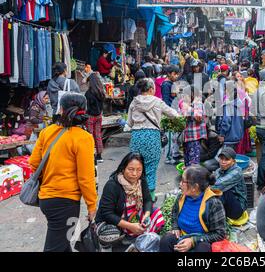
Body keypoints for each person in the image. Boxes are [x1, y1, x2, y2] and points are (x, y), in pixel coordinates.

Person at [29, 93, 97, 252]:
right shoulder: (83, 137)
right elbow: (86, 178)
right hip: (66, 203)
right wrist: (92, 205)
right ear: (84, 110)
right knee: (56, 246)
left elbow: (33, 162)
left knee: (64, 242)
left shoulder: (48, 132)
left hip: (47, 199)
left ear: (61, 109)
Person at [95, 153, 164, 251]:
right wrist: (130, 226)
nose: (135, 174)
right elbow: (107, 213)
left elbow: (148, 200)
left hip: (132, 216)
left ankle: (138, 240)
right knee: (110, 233)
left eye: (139, 170)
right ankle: (112, 244)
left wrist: (146, 216)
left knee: (156, 212)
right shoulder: (112, 185)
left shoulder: (141, 181)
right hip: (116, 220)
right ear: (123, 169)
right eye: (131, 169)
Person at [128, 78, 179, 202]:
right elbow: (174, 114)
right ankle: (149, 199)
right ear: (151, 89)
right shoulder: (157, 102)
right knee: (150, 168)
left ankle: (137, 197)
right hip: (152, 137)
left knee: (136, 168)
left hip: (137, 137)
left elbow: (129, 123)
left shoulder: (134, 103)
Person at [159, 166, 226, 252]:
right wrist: (175, 227)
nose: (180, 184)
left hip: (201, 239)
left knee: (202, 249)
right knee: (166, 240)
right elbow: (174, 213)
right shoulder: (181, 196)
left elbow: (219, 234)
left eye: (183, 181)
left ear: (195, 187)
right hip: (182, 235)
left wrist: (193, 241)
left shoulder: (214, 204)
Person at [211, 147, 247, 220]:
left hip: (237, 209)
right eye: (221, 159)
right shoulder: (219, 170)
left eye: (227, 160)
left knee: (222, 191)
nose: (223, 162)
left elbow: (218, 185)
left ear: (233, 161)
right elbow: (211, 180)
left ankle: (217, 218)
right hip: (227, 205)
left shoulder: (237, 172)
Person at [179, 85, 208, 168]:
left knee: (194, 161)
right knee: (187, 159)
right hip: (187, 136)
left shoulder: (198, 103)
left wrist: (188, 108)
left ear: (192, 94)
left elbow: (198, 117)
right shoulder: (186, 103)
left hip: (194, 137)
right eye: (183, 95)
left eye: (185, 95)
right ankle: (187, 177)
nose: (184, 97)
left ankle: (193, 178)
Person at [85, 72, 106, 163]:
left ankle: (91, 154)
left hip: (90, 116)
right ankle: (99, 155)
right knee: (98, 135)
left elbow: (87, 107)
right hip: (99, 116)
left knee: (90, 135)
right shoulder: (101, 92)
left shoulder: (88, 93)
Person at [217, 80, 245, 150]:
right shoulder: (238, 102)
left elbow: (226, 121)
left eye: (225, 89)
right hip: (237, 135)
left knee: (226, 157)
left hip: (228, 137)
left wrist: (222, 134)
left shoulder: (228, 105)